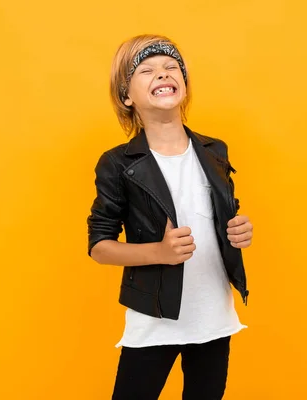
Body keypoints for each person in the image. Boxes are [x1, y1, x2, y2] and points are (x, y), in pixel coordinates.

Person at [86, 34, 254, 400]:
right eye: (146, 70)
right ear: (126, 95)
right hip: (155, 316)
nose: (162, 74)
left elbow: (226, 215)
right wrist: (158, 252)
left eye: (170, 67)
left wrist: (239, 230)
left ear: (183, 84)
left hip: (213, 314)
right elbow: (99, 246)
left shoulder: (214, 151)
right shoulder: (118, 164)